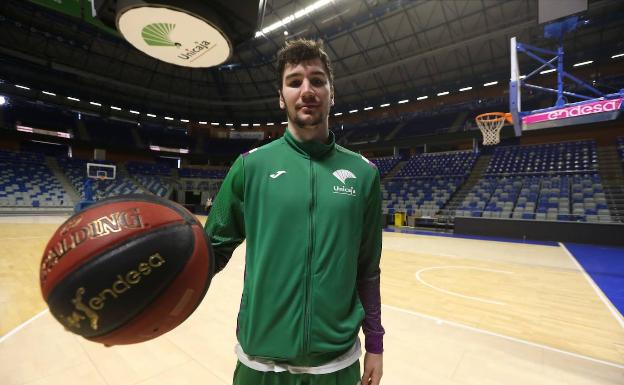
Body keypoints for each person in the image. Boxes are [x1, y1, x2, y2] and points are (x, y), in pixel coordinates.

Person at [205, 38, 384, 385]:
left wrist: (375, 343)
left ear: (332, 92)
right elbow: (209, 252)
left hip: (335, 365)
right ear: (281, 96)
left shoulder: (364, 174)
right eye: (294, 81)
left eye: (317, 80)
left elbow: (367, 268)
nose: (307, 90)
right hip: (259, 363)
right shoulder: (249, 167)